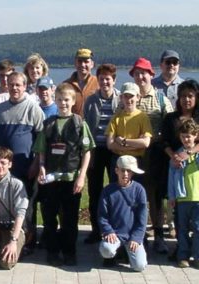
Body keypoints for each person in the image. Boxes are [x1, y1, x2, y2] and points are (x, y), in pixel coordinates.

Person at [34, 82, 95, 266]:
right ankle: (52, 251)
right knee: (49, 216)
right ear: (55, 99)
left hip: (71, 179)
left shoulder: (79, 123)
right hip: (51, 179)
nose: (63, 103)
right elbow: (41, 149)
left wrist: (82, 176)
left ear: (73, 101)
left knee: (70, 218)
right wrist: (42, 167)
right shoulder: (48, 123)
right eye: (59, 99)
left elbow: (87, 151)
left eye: (66, 100)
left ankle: (69, 251)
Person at [0, 71, 45, 255]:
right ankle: (6, 239)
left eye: (18, 85)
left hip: (26, 167)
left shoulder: (33, 108)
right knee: (5, 204)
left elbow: (41, 139)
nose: (14, 88)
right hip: (2, 169)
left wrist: (36, 163)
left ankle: (28, 242)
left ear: (25, 86)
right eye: (11, 84)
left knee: (27, 206)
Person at [130, 57, 174, 254]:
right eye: (137, 73)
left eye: (144, 73)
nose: (140, 77)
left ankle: (159, 236)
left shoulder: (161, 99)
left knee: (156, 197)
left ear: (151, 75)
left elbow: (170, 125)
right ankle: (138, 235)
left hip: (155, 154)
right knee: (135, 195)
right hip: (133, 153)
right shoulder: (128, 97)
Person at [83, 63, 120, 244]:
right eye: (102, 78)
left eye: (108, 78)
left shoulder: (121, 99)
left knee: (115, 189)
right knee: (95, 191)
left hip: (115, 150)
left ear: (114, 80)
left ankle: (114, 229)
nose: (105, 82)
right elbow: (86, 127)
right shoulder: (91, 100)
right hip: (96, 150)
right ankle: (96, 230)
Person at [162, 79, 199, 241]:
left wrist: (190, 152)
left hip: (195, 170)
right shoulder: (171, 118)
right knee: (178, 210)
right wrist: (174, 156)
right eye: (183, 96)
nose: (186, 99)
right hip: (176, 167)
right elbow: (163, 141)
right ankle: (180, 248)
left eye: (190, 96)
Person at [98, 155, 148, 272]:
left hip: (132, 234)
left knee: (139, 266)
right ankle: (112, 255)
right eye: (123, 170)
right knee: (106, 249)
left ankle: (127, 252)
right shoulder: (108, 190)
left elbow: (142, 218)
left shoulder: (139, 190)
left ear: (133, 173)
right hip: (115, 234)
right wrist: (108, 231)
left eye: (129, 171)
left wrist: (136, 237)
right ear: (116, 171)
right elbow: (102, 216)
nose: (125, 174)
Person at [167, 119, 199, 268]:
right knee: (182, 228)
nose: (187, 139)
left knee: (198, 229)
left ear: (196, 136)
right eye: (183, 136)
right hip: (182, 198)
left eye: (189, 136)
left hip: (198, 198)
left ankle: (197, 256)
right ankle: (183, 256)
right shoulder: (176, 156)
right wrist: (172, 196)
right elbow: (171, 177)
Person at [106, 82, 152, 182]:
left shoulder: (143, 117)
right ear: (121, 98)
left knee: (135, 190)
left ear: (138, 97)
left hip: (136, 160)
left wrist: (124, 141)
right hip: (118, 160)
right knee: (116, 190)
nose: (128, 100)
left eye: (131, 96)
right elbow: (110, 144)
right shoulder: (116, 118)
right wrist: (135, 145)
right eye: (125, 96)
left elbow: (145, 143)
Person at [64, 48, 99, 116]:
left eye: (86, 62)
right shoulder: (66, 85)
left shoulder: (98, 83)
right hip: (72, 125)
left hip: (92, 125)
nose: (83, 65)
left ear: (92, 64)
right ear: (75, 63)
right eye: (79, 61)